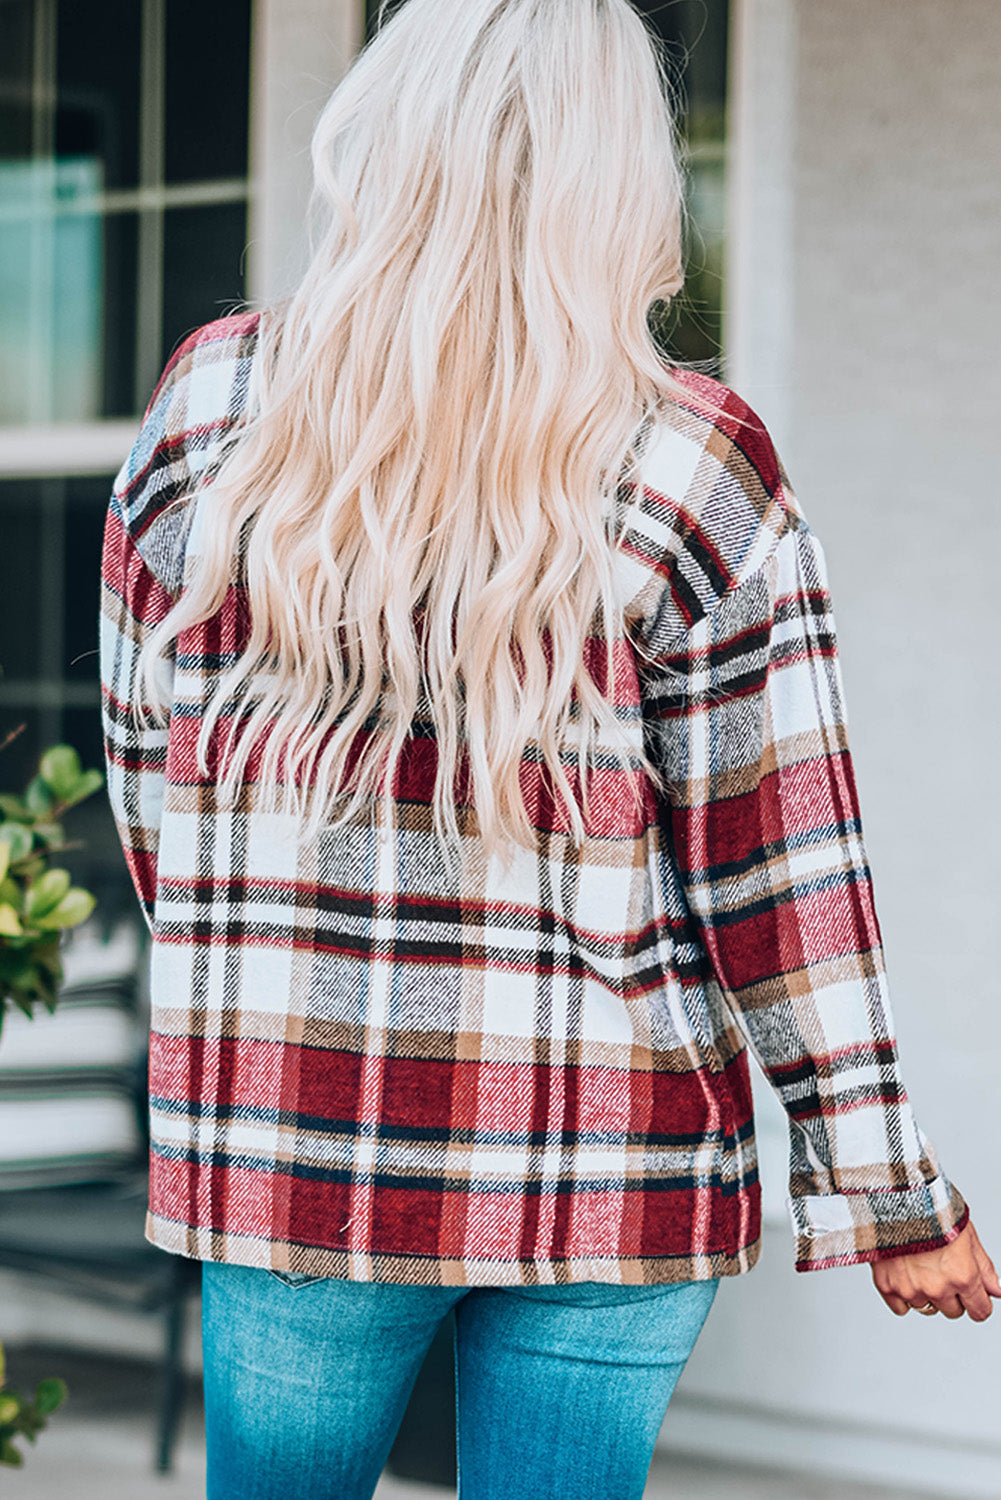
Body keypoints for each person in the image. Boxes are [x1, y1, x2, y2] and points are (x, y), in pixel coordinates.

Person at [99, 1, 999, 1497]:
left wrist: (272, 983)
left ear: (383, 141)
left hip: (293, 1136)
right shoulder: (690, 459)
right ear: (619, 179)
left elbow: (153, 790)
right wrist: (891, 1193)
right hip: (613, 1158)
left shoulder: (214, 410)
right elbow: (781, 876)